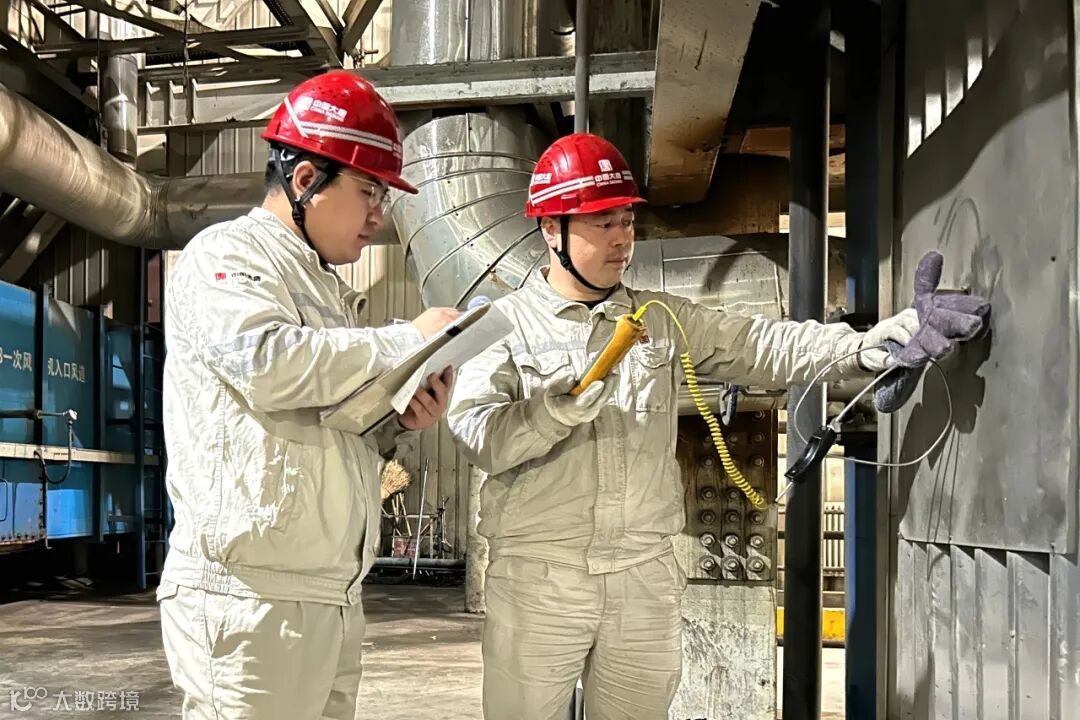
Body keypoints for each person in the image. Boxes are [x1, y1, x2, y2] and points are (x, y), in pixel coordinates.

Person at [445, 133, 987, 720]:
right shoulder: (499, 326)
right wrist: (547, 414)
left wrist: (863, 347)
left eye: (626, 221)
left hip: (642, 573)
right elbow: (477, 435)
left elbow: (760, 343)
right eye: (602, 223)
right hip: (541, 577)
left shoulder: (658, 317)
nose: (622, 239)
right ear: (552, 229)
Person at [157, 70, 461, 719]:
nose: (379, 214)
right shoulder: (227, 256)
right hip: (249, 600)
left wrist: (396, 419)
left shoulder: (324, 291)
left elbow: (320, 424)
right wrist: (402, 340)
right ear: (304, 180)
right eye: (368, 190)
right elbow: (264, 362)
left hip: (328, 593)